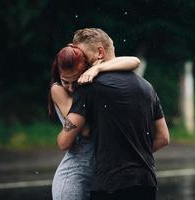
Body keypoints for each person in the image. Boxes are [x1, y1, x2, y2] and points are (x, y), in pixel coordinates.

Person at [58, 28, 170, 200]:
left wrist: (64, 106)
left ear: (100, 52)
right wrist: (134, 155)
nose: (81, 64)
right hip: (145, 181)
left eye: (84, 57)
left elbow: (64, 141)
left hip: (109, 184)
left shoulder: (88, 86)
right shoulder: (147, 86)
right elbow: (163, 138)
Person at [49, 44, 141, 200]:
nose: (71, 88)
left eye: (75, 81)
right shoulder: (58, 90)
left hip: (101, 179)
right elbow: (85, 130)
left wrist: (98, 68)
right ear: (59, 75)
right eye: (66, 81)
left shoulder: (92, 81)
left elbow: (134, 61)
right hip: (75, 179)